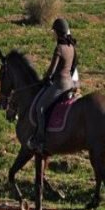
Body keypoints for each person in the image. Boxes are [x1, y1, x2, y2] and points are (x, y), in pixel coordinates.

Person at [28, 18, 78, 152]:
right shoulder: (71, 46)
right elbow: (72, 67)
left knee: (40, 108)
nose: (53, 34)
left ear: (58, 32)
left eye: (54, 31)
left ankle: (40, 140)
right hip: (70, 84)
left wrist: (45, 78)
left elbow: (51, 70)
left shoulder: (59, 48)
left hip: (60, 85)